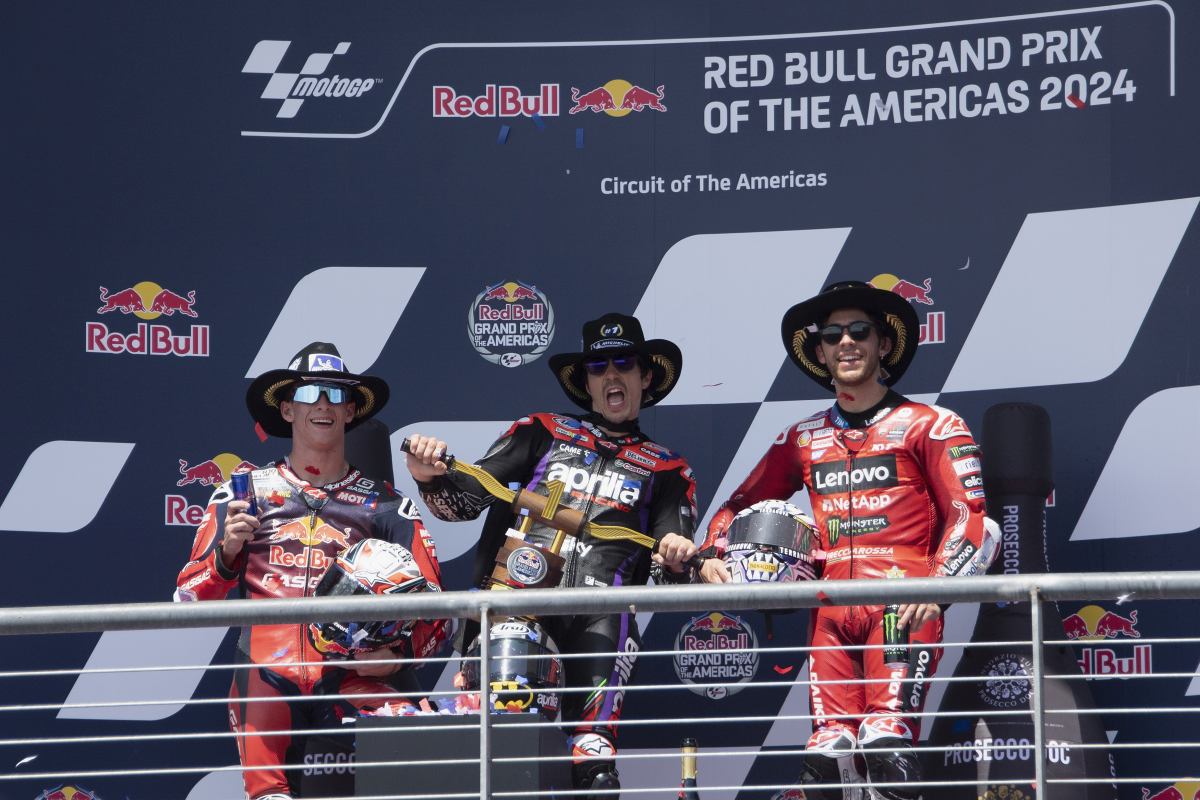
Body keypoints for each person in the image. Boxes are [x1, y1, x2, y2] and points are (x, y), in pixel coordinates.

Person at [697, 281, 999, 799]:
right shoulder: (802, 437)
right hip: (829, 611)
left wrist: (938, 588)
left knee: (887, 746)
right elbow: (736, 506)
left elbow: (971, 518)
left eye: (860, 331)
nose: (847, 343)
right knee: (826, 758)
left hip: (900, 605)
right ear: (819, 352)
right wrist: (712, 553)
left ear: (884, 344)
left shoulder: (931, 424)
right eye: (832, 335)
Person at [405, 312, 699, 798]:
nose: (611, 375)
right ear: (586, 381)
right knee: (499, 750)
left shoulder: (669, 469)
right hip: (514, 607)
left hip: (600, 621)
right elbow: (461, 504)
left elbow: (673, 579)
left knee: (594, 767)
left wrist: (677, 556)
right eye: (598, 366)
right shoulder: (541, 430)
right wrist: (426, 476)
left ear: (645, 376)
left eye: (624, 363)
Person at [175, 342, 447, 800]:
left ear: (350, 411)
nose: (323, 404)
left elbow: (438, 611)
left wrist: (398, 656)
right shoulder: (242, 494)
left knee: (408, 785)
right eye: (308, 393)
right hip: (266, 678)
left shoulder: (387, 504)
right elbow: (188, 596)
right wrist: (227, 552)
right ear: (287, 409)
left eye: (336, 395)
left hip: (357, 677)